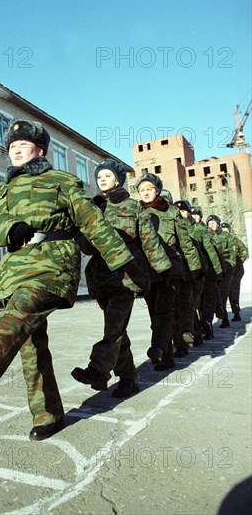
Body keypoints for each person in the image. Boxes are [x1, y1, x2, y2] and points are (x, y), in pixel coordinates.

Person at [0, 119, 136, 441]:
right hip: (14, 271)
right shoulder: (0, 190)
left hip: (51, 265)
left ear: (39, 150)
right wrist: (8, 228)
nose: (15, 151)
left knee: (24, 308)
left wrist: (124, 263)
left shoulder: (62, 180)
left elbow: (92, 222)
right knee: (31, 345)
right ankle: (47, 415)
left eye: (22, 146)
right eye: (11, 147)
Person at [71, 159, 172, 397]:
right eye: (99, 177)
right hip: (101, 278)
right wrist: (79, 231)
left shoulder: (134, 207)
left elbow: (149, 241)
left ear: (118, 179)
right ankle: (128, 379)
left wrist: (163, 272)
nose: (102, 179)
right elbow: (86, 246)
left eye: (107, 175)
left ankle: (98, 370)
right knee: (118, 330)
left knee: (114, 328)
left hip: (127, 277)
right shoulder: (94, 209)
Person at [136, 174, 201, 370]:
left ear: (157, 190)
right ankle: (167, 357)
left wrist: (194, 269)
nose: (145, 192)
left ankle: (159, 349)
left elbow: (186, 243)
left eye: (149, 188)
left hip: (170, 270)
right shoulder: (135, 212)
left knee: (165, 313)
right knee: (155, 317)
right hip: (148, 271)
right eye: (141, 190)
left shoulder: (171, 212)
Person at [188, 205, 222, 344]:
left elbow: (217, 248)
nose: (194, 217)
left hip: (208, 271)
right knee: (196, 302)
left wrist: (218, 270)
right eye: (192, 214)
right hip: (196, 271)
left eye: (196, 215)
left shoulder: (206, 231)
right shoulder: (188, 229)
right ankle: (199, 329)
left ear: (200, 216)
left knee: (206, 301)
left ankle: (206, 326)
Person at [206, 215, 236, 328]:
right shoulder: (207, 235)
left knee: (223, 294)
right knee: (213, 296)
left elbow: (233, 253)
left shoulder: (225, 236)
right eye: (209, 224)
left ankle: (224, 319)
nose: (211, 225)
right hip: (214, 269)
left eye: (213, 223)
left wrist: (231, 265)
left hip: (226, 267)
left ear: (218, 224)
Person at [220, 223, 248, 322]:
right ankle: (224, 317)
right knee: (224, 293)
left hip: (236, 270)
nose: (224, 232)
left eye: (226, 230)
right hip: (226, 269)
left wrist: (239, 261)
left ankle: (236, 313)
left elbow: (244, 251)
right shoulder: (219, 239)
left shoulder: (236, 240)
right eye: (222, 230)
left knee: (234, 291)